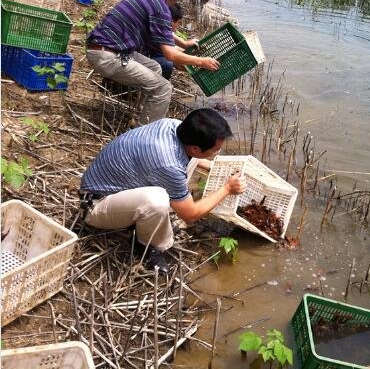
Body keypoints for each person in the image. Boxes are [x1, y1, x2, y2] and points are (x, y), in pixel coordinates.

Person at [80, 109, 246, 273]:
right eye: (214, 151)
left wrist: (214, 168)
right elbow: (191, 215)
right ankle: (146, 245)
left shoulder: (173, 125)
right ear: (195, 148)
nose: (216, 153)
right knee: (157, 200)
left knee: (174, 180)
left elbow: (188, 159)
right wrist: (227, 189)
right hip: (95, 204)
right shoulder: (169, 164)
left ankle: (152, 218)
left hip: (124, 185)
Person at [86, 0, 220, 125]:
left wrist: (183, 44)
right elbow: (170, 55)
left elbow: (160, 30)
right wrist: (201, 61)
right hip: (107, 56)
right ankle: (144, 133)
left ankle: (140, 118)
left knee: (155, 68)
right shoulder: (161, 9)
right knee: (164, 89)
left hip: (105, 48)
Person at [144, 4, 198, 80]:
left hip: (150, 54)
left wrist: (185, 45)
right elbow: (171, 54)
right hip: (142, 58)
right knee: (167, 64)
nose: (179, 25)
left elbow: (172, 44)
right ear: (171, 21)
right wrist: (199, 62)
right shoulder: (160, 26)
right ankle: (158, 87)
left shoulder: (158, 21)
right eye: (179, 22)